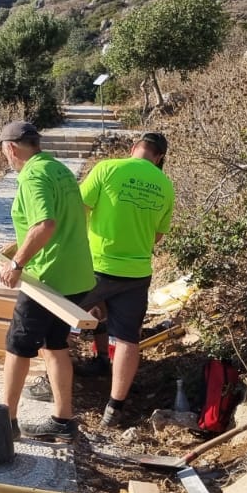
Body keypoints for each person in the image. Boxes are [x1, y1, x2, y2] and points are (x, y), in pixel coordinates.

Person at [0, 120, 97, 442]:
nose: (5, 157)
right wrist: (17, 245)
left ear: (11, 148)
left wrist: (17, 263)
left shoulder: (32, 175)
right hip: (76, 275)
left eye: (4, 151)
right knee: (55, 344)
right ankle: (63, 421)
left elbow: (45, 224)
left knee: (17, 346)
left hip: (48, 278)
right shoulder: (58, 169)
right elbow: (60, 220)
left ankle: (5, 424)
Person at [78, 131, 176, 429]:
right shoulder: (165, 185)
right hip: (136, 273)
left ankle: (55, 380)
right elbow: (157, 236)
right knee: (127, 338)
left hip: (95, 265)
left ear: (134, 148)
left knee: (58, 318)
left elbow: (79, 208)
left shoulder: (108, 168)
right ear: (160, 157)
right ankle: (114, 407)